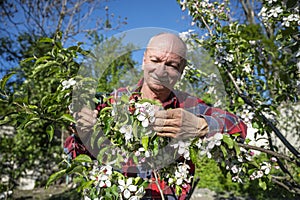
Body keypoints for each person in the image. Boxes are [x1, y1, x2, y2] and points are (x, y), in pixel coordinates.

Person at [64, 33, 247, 199]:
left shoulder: (188, 106)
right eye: (155, 60)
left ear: (181, 71)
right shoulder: (113, 102)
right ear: (144, 60)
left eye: (172, 65)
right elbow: (77, 155)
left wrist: (202, 126)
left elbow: (239, 126)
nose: (160, 71)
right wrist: (81, 133)